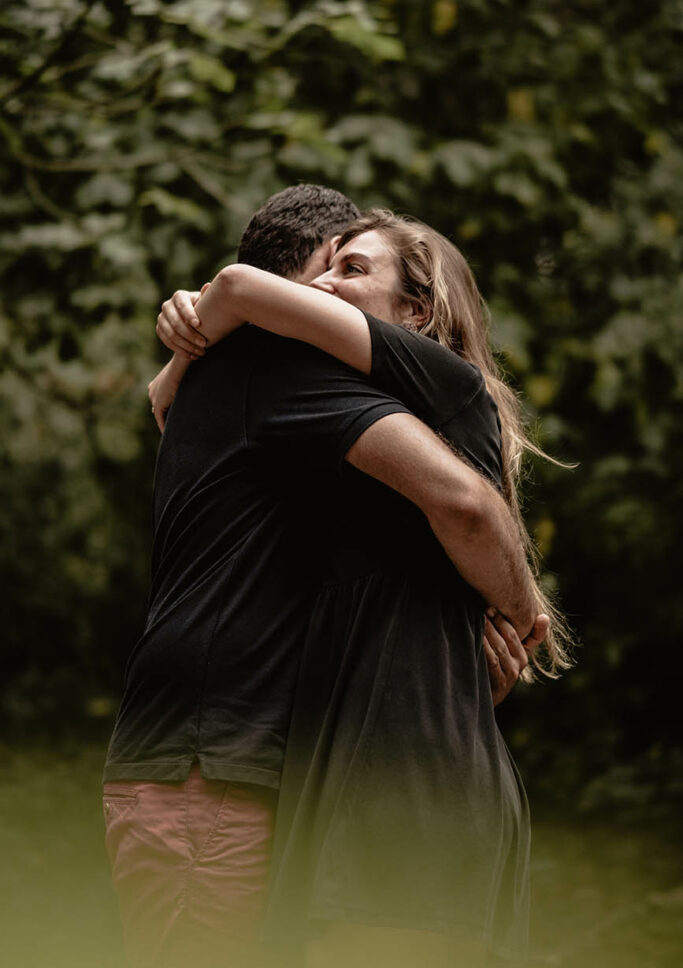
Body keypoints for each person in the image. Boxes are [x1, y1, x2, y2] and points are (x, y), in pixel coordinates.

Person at [105, 187, 547, 968]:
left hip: (324, 773)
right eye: (322, 270)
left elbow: (459, 520)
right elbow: (461, 510)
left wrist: (496, 623)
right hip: (216, 762)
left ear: (418, 307)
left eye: (351, 269)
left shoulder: (368, 401)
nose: (321, 292)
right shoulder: (280, 375)